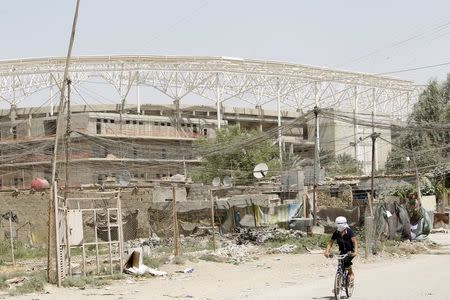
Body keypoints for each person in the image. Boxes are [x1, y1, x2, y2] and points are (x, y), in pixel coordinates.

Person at [324, 216, 358, 283]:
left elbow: (354, 241)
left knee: (346, 261)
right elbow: (330, 242)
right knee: (340, 265)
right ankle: (338, 285)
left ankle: (351, 273)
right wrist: (327, 251)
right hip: (342, 251)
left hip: (350, 251)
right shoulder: (336, 232)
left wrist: (355, 252)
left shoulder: (349, 231)